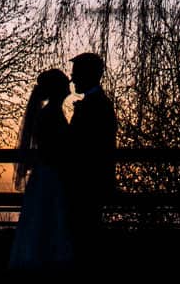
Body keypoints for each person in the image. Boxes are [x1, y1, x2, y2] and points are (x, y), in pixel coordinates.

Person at [9, 67, 75, 270]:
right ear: (57, 89)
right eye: (65, 83)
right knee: (47, 217)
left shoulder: (50, 113)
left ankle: (41, 258)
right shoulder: (50, 115)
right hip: (50, 174)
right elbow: (53, 148)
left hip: (47, 173)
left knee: (43, 217)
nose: (69, 85)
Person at [64, 52, 117, 262]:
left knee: (85, 233)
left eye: (76, 73)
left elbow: (89, 146)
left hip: (87, 182)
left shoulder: (97, 105)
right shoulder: (95, 103)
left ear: (88, 75)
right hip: (87, 181)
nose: (72, 78)